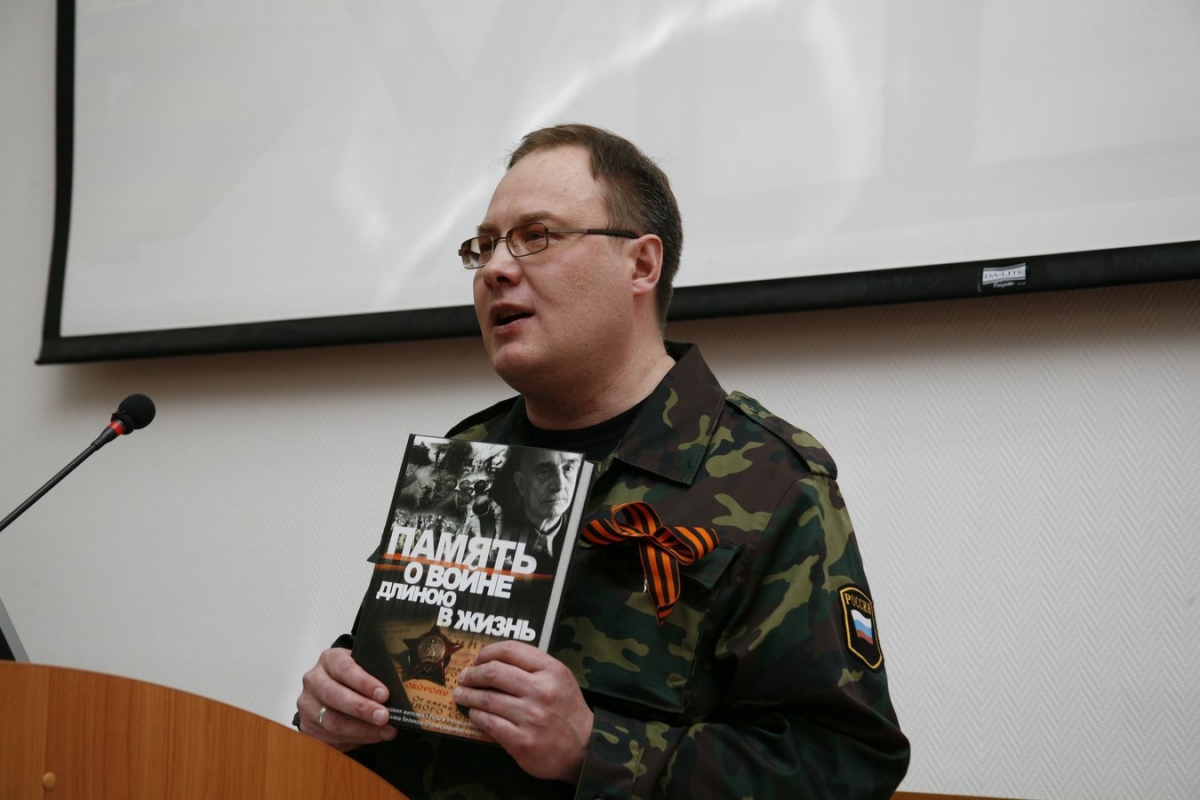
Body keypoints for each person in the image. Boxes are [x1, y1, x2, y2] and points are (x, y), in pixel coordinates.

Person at [296, 123, 910, 798]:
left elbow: (848, 764)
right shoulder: (467, 457)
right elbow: (400, 704)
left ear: (641, 265)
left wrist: (594, 748)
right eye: (484, 245)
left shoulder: (770, 481)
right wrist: (334, 714)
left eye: (537, 236)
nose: (496, 268)